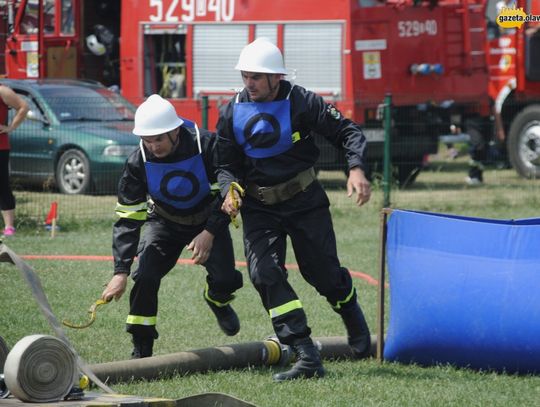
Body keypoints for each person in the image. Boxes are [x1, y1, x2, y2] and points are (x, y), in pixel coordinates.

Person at [216, 38, 372, 381]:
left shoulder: (302, 101)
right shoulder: (230, 112)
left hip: (305, 202)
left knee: (323, 273)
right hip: (258, 208)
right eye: (245, 76)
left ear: (276, 77)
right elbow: (224, 164)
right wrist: (229, 189)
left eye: (257, 77)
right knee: (264, 274)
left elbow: (347, 131)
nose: (250, 83)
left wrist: (357, 169)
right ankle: (304, 351)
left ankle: (352, 315)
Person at [101, 94, 243, 358]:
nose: (153, 146)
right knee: (143, 276)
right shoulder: (136, 162)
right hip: (164, 222)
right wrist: (120, 271)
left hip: (207, 221)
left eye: (159, 139)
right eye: (147, 140)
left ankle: (217, 300)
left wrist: (209, 232)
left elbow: (227, 196)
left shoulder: (206, 145)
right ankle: (142, 349)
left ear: (175, 130)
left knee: (225, 280)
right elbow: (129, 218)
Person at [0, 84, 29, 237]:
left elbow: (23, 107)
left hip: (0, 147)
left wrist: (10, 127)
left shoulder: (2, 91)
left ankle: (9, 227)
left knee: (2, 185)